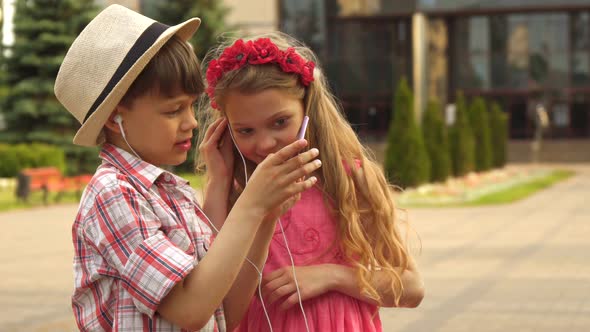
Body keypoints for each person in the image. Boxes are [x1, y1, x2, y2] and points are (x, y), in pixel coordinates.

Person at [54, 6, 321, 331]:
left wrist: (267, 216)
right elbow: (190, 310)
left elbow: (225, 310)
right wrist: (252, 203)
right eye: (173, 111)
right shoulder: (113, 193)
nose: (192, 122)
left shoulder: (173, 194)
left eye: (191, 106)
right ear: (114, 118)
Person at [196, 32, 425, 331]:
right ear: (225, 129)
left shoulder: (350, 180)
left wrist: (332, 276)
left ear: (308, 111)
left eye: (280, 122)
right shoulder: (232, 196)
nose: (265, 143)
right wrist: (218, 180)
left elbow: (411, 288)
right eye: (245, 131)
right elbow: (212, 302)